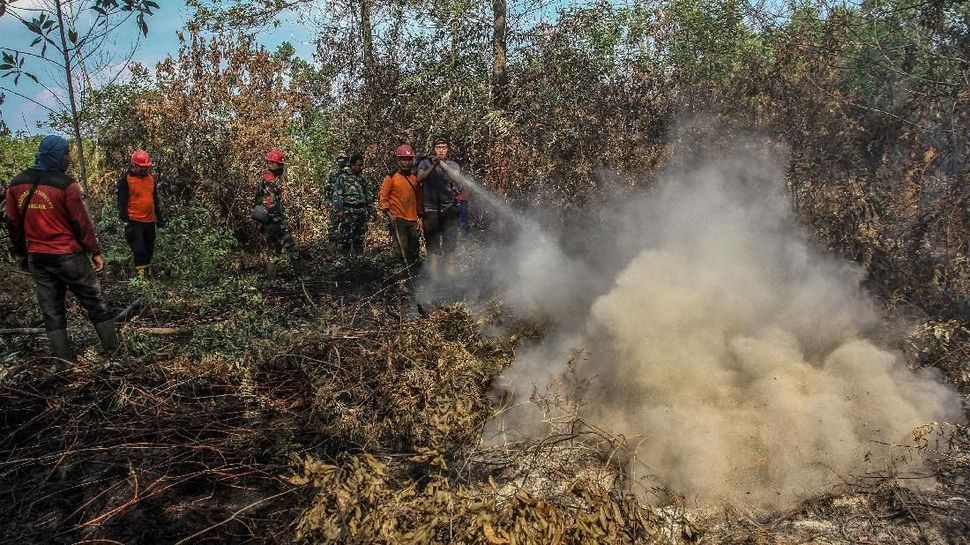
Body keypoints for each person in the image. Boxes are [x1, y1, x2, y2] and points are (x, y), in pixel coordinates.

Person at [5, 135, 119, 361]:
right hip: (69, 256)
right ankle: (114, 352)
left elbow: (12, 223)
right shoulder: (66, 185)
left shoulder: (17, 184)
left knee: (51, 309)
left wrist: (22, 254)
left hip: (38, 257)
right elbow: (81, 222)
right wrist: (95, 251)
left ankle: (63, 361)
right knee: (94, 300)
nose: (69, 158)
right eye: (67, 154)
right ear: (58, 156)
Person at [416, 136, 462, 279]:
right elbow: (419, 178)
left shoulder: (453, 165)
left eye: (443, 148)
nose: (441, 150)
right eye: (438, 147)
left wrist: (444, 166)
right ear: (433, 149)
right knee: (433, 246)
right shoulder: (424, 163)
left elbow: (457, 180)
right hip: (430, 211)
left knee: (450, 244)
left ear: (447, 149)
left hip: (449, 210)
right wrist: (434, 165)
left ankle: (450, 276)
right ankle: (434, 277)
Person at [254, 148, 301, 279]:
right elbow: (270, 204)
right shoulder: (270, 182)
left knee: (273, 251)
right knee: (291, 247)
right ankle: (301, 276)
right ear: (272, 164)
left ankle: (271, 279)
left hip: (267, 221)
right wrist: (278, 223)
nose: (281, 168)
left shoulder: (264, 179)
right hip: (274, 221)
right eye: (280, 165)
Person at [118, 149, 163, 278]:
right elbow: (121, 201)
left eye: (146, 168)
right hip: (134, 221)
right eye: (141, 168)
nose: (144, 170)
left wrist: (159, 218)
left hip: (149, 221)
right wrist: (126, 221)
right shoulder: (126, 179)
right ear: (134, 165)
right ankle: (140, 277)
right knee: (139, 249)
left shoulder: (151, 179)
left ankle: (147, 274)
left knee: (149, 248)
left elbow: (154, 200)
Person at [379, 144, 421, 273]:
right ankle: (400, 279)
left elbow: (419, 199)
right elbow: (383, 198)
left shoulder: (415, 178)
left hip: (413, 220)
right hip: (398, 219)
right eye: (403, 159)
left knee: (414, 249)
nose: (406, 163)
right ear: (398, 161)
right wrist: (390, 215)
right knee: (400, 250)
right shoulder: (391, 177)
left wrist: (420, 217)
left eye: (409, 159)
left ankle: (412, 275)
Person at [333, 154, 373, 256]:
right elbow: (338, 195)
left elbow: (367, 194)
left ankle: (359, 259)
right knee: (345, 239)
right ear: (352, 165)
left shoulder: (362, 178)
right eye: (359, 165)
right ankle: (344, 259)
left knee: (359, 238)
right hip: (348, 211)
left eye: (362, 165)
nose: (361, 167)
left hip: (361, 211)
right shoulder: (342, 177)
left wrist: (371, 210)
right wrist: (339, 211)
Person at [324, 154, 348, 244]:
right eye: (340, 159)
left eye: (344, 159)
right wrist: (326, 200)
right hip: (334, 202)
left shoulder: (348, 173)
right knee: (333, 224)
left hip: (347, 202)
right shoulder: (332, 172)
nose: (342, 161)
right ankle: (332, 244)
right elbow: (326, 187)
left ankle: (344, 245)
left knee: (346, 224)